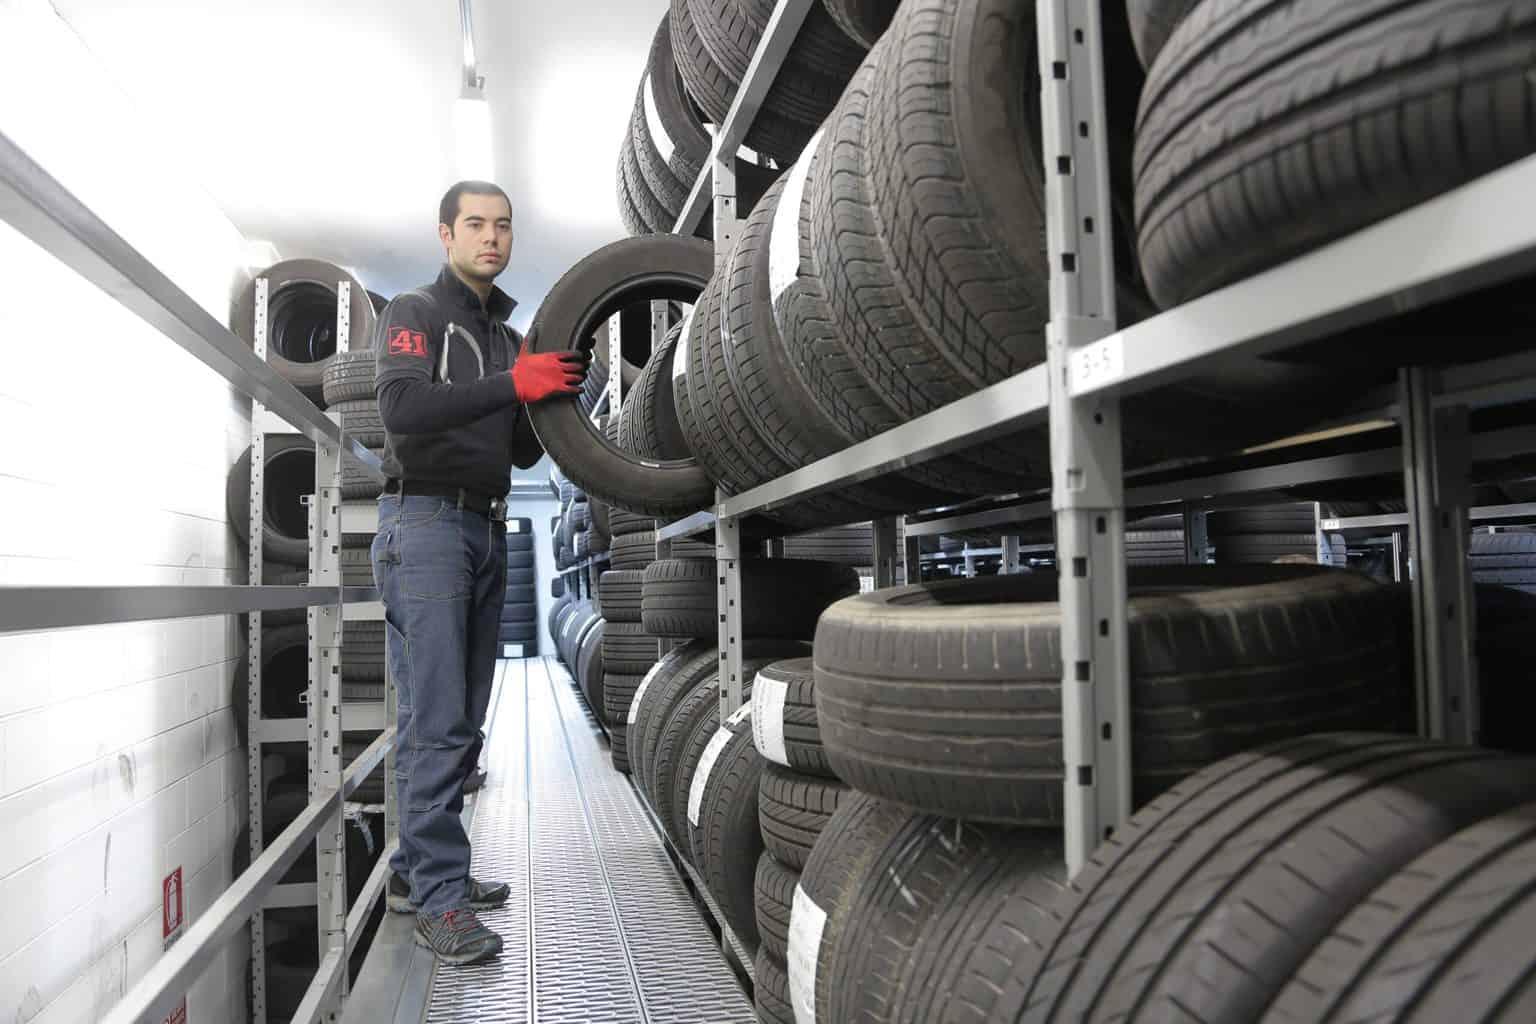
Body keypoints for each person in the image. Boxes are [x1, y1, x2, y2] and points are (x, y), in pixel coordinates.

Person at [370, 180, 586, 964]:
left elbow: (519, 450)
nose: (490, 237)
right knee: (437, 720)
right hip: (424, 522)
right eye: (475, 225)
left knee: (457, 719)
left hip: (485, 527)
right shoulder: (413, 314)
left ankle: (416, 874)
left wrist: (551, 396)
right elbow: (405, 413)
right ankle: (441, 899)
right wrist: (514, 386)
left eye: (502, 226)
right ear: (445, 234)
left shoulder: (508, 337)